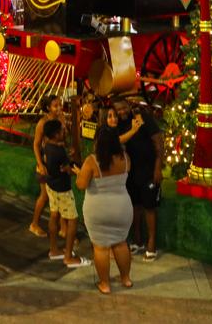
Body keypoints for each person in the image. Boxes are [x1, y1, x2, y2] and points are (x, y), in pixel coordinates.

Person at [78, 126, 134, 295]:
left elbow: (81, 185)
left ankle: (105, 284)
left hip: (98, 210)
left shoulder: (91, 161)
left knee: (101, 247)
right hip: (122, 207)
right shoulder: (125, 158)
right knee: (121, 243)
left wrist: (79, 173)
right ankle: (126, 279)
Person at [116, 99, 163, 260]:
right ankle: (138, 240)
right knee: (134, 207)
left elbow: (158, 142)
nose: (121, 112)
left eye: (123, 108)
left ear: (129, 106)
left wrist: (158, 167)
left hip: (149, 170)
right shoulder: (119, 124)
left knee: (149, 207)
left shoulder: (142, 118)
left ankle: (152, 244)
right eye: (118, 110)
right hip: (131, 173)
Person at [42, 119, 88, 268]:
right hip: (63, 189)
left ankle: (54, 249)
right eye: (62, 130)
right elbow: (68, 169)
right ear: (55, 135)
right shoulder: (59, 152)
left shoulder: (47, 145)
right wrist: (76, 170)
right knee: (73, 220)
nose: (65, 132)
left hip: (51, 185)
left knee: (54, 215)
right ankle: (68, 256)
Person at [29, 94, 64, 238]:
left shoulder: (61, 119)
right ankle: (34, 224)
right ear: (48, 108)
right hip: (45, 163)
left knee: (61, 197)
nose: (59, 108)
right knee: (44, 196)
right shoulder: (42, 123)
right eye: (55, 106)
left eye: (60, 105)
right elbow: (36, 145)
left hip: (58, 162)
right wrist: (40, 164)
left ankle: (63, 229)